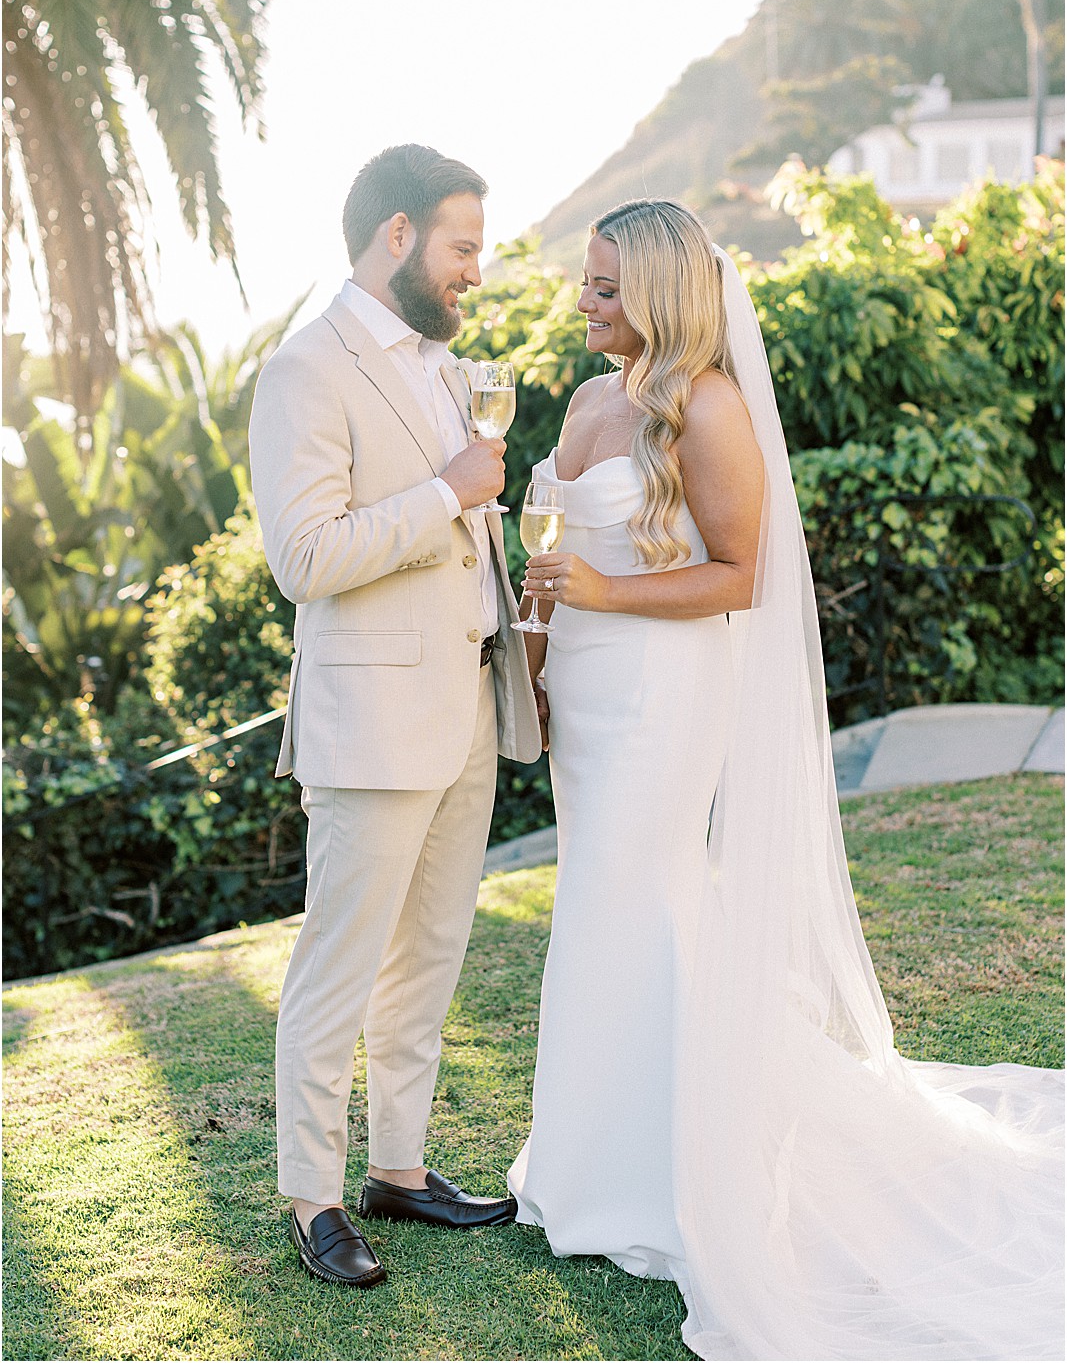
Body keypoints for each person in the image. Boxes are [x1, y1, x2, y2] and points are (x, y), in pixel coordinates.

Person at [508, 199, 1063, 1360]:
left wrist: (599, 597)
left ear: (656, 293)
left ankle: (673, 1173)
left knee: (641, 897)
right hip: (589, 694)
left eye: (604, 287)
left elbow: (740, 576)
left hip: (664, 689)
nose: (582, 300)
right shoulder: (582, 401)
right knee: (599, 905)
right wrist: (541, 664)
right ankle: (590, 1157)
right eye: (584, 281)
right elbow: (552, 552)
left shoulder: (703, 406)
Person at [249, 143, 541, 1289]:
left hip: (467, 697)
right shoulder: (304, 371)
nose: (476, 269)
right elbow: (303, 554)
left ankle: (400, 1171)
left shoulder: (443, 366)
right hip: (369, 717)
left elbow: (461, 522)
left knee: (428, 954)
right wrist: (447, 494)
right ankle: (313, 1195)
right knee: (341, 960)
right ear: (399, 236)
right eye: (464, 246)